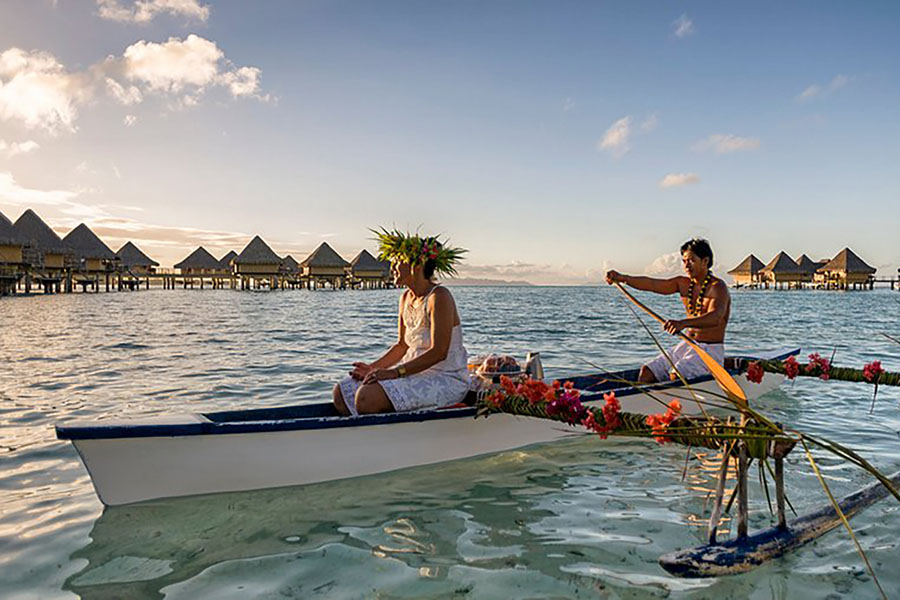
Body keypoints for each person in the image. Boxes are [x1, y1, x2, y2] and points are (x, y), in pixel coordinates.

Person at [333, 229, 469, 416]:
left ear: (417, 265)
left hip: (444, 378)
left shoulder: (439, 297)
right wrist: (373, 369)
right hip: (411, 372)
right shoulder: (405, 298)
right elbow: (402, 345)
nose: (393, 266)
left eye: (398, 261)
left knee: (366, 396)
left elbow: (439, 352)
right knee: (342, 391)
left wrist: (394, 373)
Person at [605, 238, 730, 383]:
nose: (686, 265)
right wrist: (622, 278)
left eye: (691, 260)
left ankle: (675, 402)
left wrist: (682, 323)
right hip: (687, 344)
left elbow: (715, 318)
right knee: (647, 372)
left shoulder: (717, 287)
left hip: (710, 351)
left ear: (705, 261)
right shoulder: (683, 283)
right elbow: (652, 284)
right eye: (684, 261)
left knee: (676, 374)